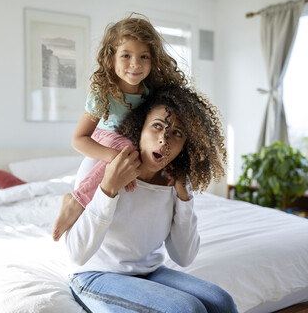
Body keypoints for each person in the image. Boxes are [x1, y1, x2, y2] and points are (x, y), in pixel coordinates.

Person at [65, 85, 237, 313]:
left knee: (222, 302)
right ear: (140, 127)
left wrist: (184, 196)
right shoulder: (98, 167)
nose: (164, 140)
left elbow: (184, 257)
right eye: (157, 126)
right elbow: (77, 254)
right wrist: (108, 189)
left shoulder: (173, 182)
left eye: (177, 133)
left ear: (186, 145)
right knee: (187, 309)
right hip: (95, 274)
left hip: (151, 272)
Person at [52, 13, 188, 241]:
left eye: (144, 56)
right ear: (111, 59)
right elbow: (79, 139)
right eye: (126, 55)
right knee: (128, 147)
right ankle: (75, 201)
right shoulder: (103, 93)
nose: (136, 64)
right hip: (107, 139)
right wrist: (115, 157)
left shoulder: (150, 94)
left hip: (131, 145)